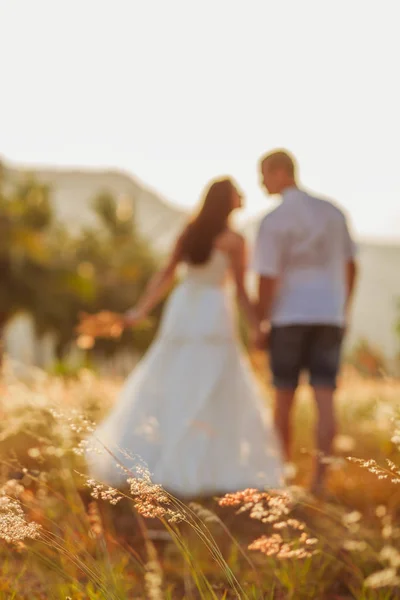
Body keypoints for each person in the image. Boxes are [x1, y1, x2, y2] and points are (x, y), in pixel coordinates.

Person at [86, 177, 283, 497]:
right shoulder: (234, 240)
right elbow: (242, 291)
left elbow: (165, 275)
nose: (242, 198)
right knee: (214, 381)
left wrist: (140, 310)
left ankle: (158, 456)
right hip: (213, 310)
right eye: (237, 194)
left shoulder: (190, 233)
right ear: (226, 201)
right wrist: (257, 325)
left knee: (173, 376)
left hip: (184, 306)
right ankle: (203, 464)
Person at [253, 150, 357, 494]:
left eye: (264, 174)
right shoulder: (333, 212)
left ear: (282, 172)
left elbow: (267, 278)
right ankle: (320, 482)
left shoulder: (274, 220)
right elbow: (351, 266)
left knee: (284, 397)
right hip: (329, 314)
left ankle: (283, 476)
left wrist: (260, 321)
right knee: (325, 397)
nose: (261, 182)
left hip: (289, 317)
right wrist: (343, 309)